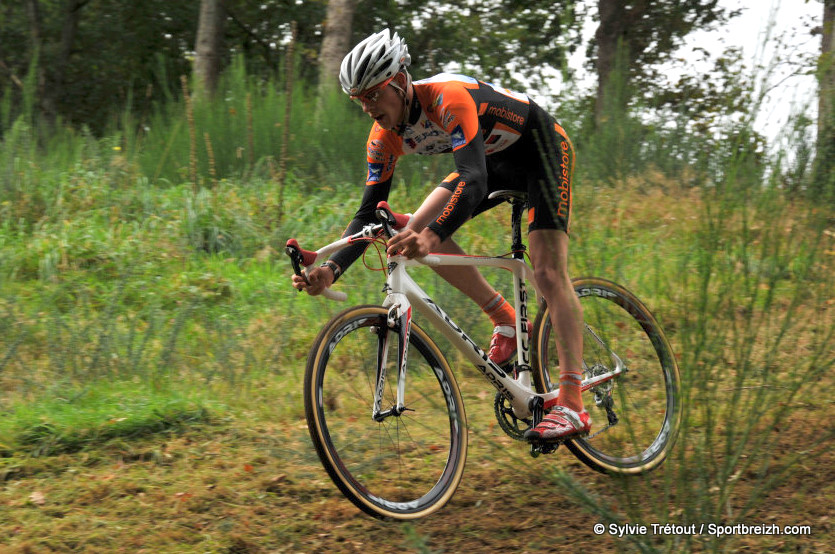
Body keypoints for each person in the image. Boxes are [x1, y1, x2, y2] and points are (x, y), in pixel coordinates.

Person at [291, 29, 588, 442]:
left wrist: (431, 236)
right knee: (404, 231)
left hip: (541, 152)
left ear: (398, 82)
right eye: (359, 100)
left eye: (373, 95)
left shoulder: (448, 98)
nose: (367, 108)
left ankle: (573, 404)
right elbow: (365, 214)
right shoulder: (382, 138)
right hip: (494, 160)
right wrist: (330, 269)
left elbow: (473, 179)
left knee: (549, 274)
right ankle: (504, 318)